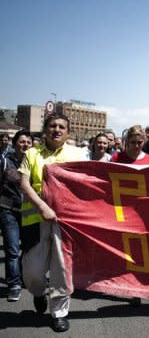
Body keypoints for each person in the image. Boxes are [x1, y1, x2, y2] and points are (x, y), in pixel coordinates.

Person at [19, 113, 86, 332]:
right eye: (53, 126)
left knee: (61, 269)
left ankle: (59, 313)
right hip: (35, 220)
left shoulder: (77, 154)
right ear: (45, 129)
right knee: (33, 272)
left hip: (66, 222)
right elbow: (24, 184)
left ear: (67, 132)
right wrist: (43, 207)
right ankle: (38, 292)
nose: (57, 130)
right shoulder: (32, 153)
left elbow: (87, 184)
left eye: (61, 127)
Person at [0, 130, 33, 302]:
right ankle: (14, 284)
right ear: (14, 144)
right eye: (22, 141)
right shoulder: (5, 161)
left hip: (29, 212)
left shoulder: (35, 162)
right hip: (8, 211)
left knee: (28, 248)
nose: (25, 144)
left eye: (28, 142)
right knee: (12, 249)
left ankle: (20, 275)